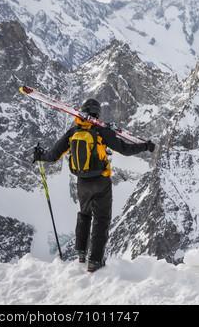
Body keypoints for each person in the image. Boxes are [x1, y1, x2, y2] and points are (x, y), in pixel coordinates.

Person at [33, 98, 155, 272]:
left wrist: (40, 155)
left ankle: (81, 254)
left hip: (82, 182)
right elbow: (125, 150)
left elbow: (53, 155)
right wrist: (145, 146)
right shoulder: (101, 131)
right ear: (97, 114)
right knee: (101, 219)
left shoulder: (73, 131)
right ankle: (95, 261)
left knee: (84, 214)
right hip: (101, 181)